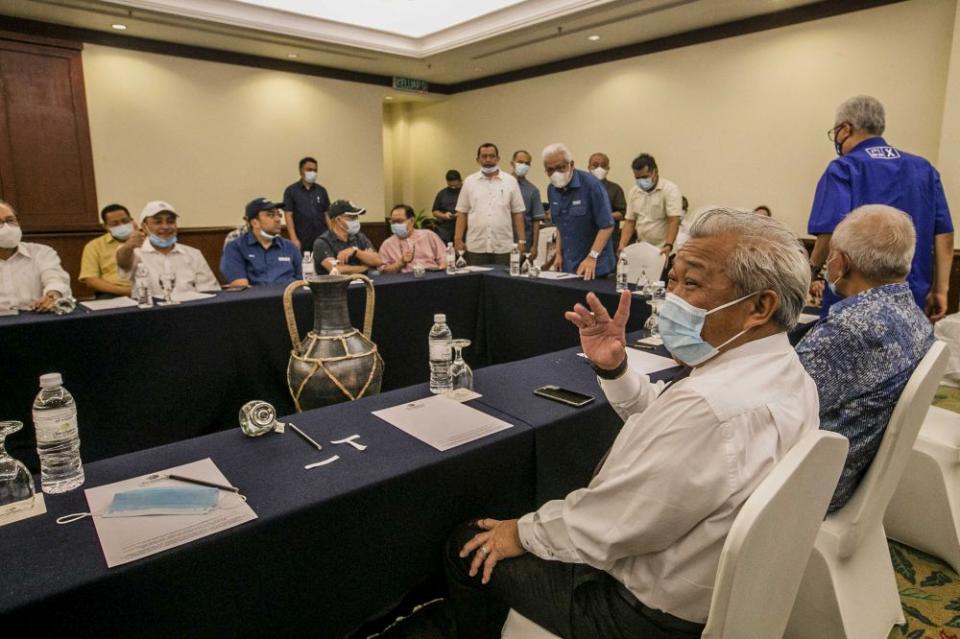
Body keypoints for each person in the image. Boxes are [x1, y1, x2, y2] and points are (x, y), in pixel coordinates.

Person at [445, 209, 816, 639]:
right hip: (717, 586)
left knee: (467, 543)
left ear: (759, 306)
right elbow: (668, 422)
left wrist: (520, 533)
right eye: (672, 279)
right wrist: (616, 369)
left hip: (638, 613)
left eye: (690, 284)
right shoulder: (786, 371)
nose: (670, 297)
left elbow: (612, 524)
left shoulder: (710, 407)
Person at [798, 205, 933, 512]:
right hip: (854, 470)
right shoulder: (915, 316)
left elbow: (780, 406)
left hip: (812, 481)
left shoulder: (850, 329)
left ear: (840, 262)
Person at [808, 95, 954, 321]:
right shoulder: (924, 169)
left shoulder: (844, 168)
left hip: (851, 301)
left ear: (846, 129)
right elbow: (943, 235)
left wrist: (811, 271)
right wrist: (941, 290)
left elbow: (829, 230)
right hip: (911, 296)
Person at [116, 200, 220, 297]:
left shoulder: (193, 254)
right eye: (158, 222)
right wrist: (129, 245)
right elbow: (123, 262)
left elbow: (209, 291)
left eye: (170, 222)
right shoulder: (134, 252)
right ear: (144, 227)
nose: (165, 227)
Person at [542, 143, 615, 280]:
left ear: (572, 164)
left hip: (595, 267)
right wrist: (558, 253)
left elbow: (607, 225)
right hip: (568, 266)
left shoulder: (592, 185)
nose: (556, 173)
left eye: (560, 167)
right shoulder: (552, 189)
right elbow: (560, 225)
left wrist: (592, 257)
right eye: (550, 170)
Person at [454, 143, 526, 266]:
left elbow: (518, 213)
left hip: (503, 247)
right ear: (478, 160)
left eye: (492, 156)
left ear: (498, 159)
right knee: (476, 284)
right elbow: (462, 213)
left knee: (503, 284)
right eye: (484, 156)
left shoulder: (511, 181)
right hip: (475, 246)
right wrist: (458, 239)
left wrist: (522, 241)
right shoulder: (469, 182)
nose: (488, 160)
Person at [0, 200, 71, 312]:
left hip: (37, 316)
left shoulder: (41, 252)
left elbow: (55, 278)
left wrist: (52, 295)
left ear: (19, 223)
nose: (6, 227)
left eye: (10, 221)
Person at [220, 198, 302, 287]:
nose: (278, 219)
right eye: (271, 215)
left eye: (278, 215)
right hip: (254, 299)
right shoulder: (235, 247)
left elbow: (302, 281)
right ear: (255, 223)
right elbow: (240, 286)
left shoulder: (290, 247)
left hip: (289, 298)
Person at [618, 153, 683, 256]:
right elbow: (630, 222)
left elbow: (674, 221)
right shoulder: (634, 192)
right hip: (641, 247)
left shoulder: (670, 189)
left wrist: (668, 245)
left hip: (664, 249)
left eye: (645, 177)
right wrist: (622, 244)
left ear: (655, 172)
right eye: (637, 178)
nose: (641, 181)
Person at [79, 203, 135, 298]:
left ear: (132, 221)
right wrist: (126, 291)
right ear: (106, 226)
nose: (121, 225)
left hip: (149, 289)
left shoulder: (145, 240)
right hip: (114, 293)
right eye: (115, 224)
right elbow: (91, 280)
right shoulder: (94, 246)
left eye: (125, 221)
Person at [313, 200, 382, 274]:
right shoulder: (322, 242)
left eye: (356, 217)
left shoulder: (359, 237)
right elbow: (337, 269)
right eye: (352, 217)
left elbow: (378, 261)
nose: (356, 220)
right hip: (335, 285)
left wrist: (355, 251)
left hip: (363, 283)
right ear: (338, 220)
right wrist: (365, 267)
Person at [283, 156, 331, 254]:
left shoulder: (322, 191)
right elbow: (288, 215)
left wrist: (333, 235)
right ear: (301, 171)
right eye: (309, 170)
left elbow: (327, 214)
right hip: (302, 238)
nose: (313, 173)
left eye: (315, 170)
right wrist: (293, 239)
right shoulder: (291, 191)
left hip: (322, 238)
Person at [379, 204, 447, 273]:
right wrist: (400, 263)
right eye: (393, 222)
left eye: (399, 221)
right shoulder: (387, 244)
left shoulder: (428, 235)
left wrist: (440, 272)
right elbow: (383, 270)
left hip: (431, 277)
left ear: (412, 221)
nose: (396, 225)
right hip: (403, 281)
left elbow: (444, 257)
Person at [587, 152, 627, 250]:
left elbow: (623, 214)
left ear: (608, 168)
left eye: (603, 165)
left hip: (608, 242)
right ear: (589, 167)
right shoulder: (581, 189)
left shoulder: (615, 189)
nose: (599, 168)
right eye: (595, 165)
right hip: (585, 241)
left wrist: (603, 215)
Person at [510, 150, 545, 261]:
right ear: (512, 163)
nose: (523, 165)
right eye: (520, 162)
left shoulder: (533, 190)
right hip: (502, 242)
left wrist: (534, 247)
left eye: (527, 163)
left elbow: (536, 221)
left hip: (524, 244)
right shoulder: (502, 184)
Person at [431, 169, 462, 244]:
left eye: (455, 185)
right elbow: (435, 211)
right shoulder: (442, 193)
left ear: (460, 181)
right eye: (451, 186)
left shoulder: (467, 192)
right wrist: (444, 215)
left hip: (463, 229)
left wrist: (461, 215)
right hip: (445, 231)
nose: (453, 188)